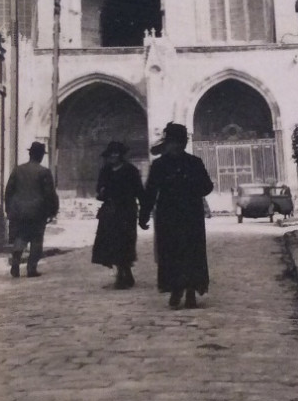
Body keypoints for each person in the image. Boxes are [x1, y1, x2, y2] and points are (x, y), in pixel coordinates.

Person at [138, 122, 213, 309]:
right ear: (168, 143)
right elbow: (150, 191)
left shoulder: (194, 163)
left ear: (184, 143)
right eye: (172, 142)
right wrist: (144, 214)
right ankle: (175, 289)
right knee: (170, 254)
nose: (176, 146)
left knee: (191, 254)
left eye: (180, 142)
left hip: (191, 216)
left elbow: (207, 186)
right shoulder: (159, 165)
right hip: (168, 216)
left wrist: (192, 184)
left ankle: (190, 292)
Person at [90, 140, 143, 288]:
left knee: (125, 242)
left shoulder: (130, 170)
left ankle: (122, 275)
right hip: (110, 210)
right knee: (111, 242)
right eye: (111, 154)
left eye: (116, 153)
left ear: (121, 155)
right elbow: (99, 190)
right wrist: (102, 192)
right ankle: (124, 273)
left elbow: (139, 190)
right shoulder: (105, 171)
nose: (113, 156)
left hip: (126, 211)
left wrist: (144, 209)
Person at [4, 140, 59, 278]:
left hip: (19, 211)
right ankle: (31, 269)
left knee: (20, 237)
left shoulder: (18, 170)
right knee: (36, 239)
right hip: (37, 211)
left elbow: (8, 191)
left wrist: (9, 209)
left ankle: (15, 263)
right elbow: (49, 194)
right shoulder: (44, 172)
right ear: (40, 156)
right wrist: (53, 211)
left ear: (30, 154)